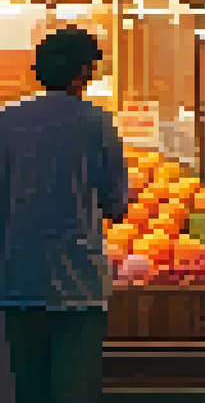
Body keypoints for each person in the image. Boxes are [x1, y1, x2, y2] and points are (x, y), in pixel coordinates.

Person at [0, 26, 130, 403]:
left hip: (18, 279)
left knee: (28, 388)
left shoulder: (6, 122)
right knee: (73, 391)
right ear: (83, 72)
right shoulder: (96, 123)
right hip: (78, 285)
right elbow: (116, 205)